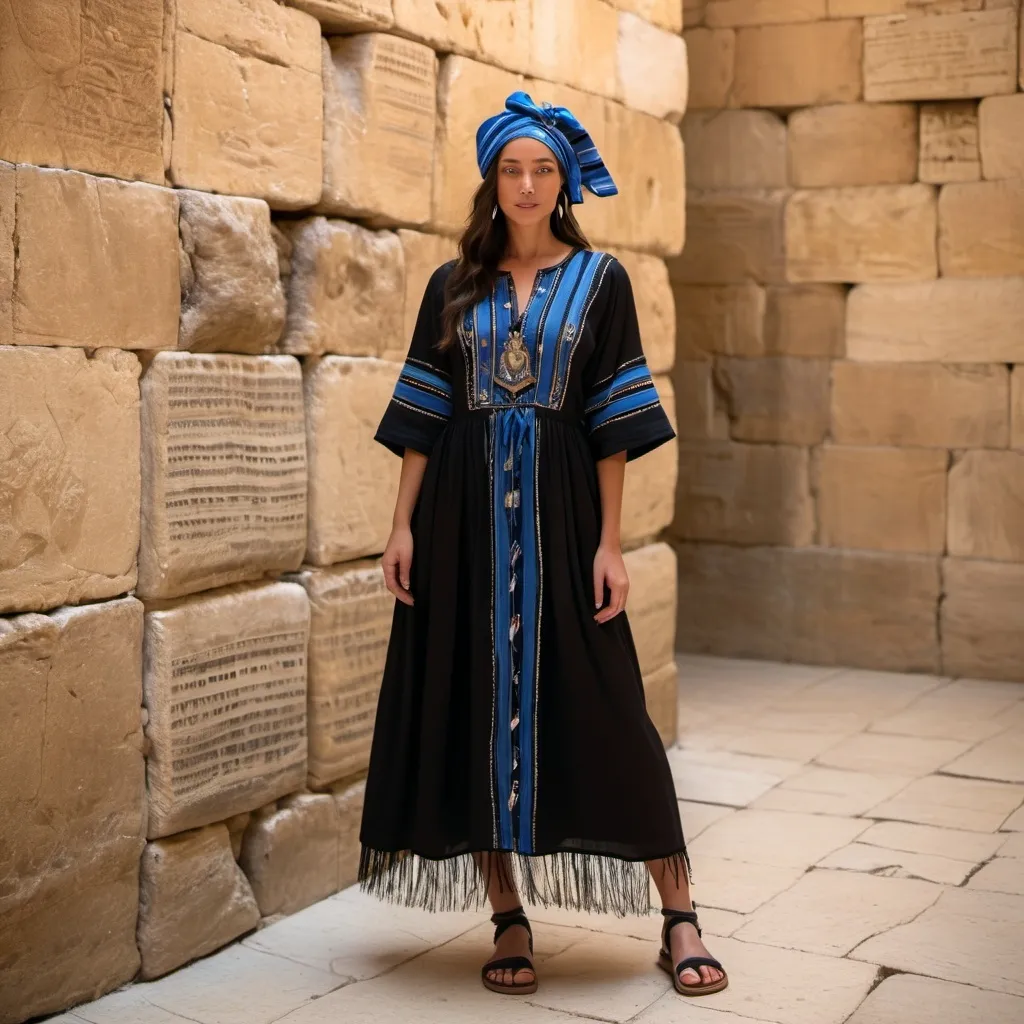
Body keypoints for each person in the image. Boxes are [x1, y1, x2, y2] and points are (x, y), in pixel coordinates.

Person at [358, 90, 728, 999]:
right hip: (461, 516)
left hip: (562, 517)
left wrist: (610, 543)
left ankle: (678, 914)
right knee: (474, 699)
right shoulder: (454, 286)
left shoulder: (602, 282)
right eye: (511, 169)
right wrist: (401, 525)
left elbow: (610, 423)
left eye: (543, 170)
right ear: (492, 180)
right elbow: (424, 415)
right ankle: (507, 915)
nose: (526, 185)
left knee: (610, 706)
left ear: (562, 182)